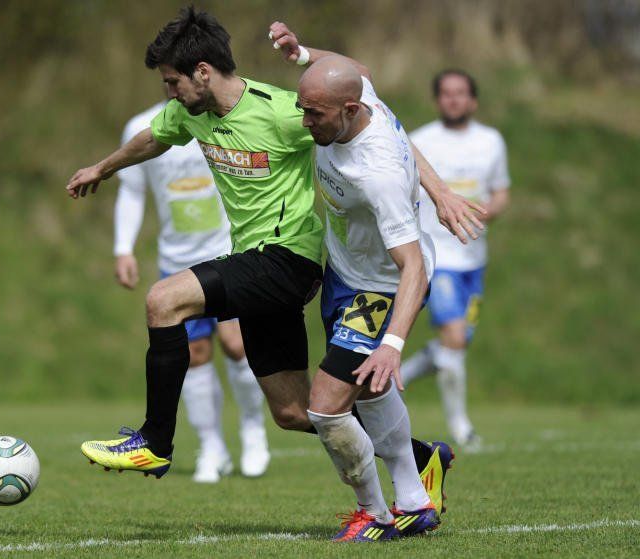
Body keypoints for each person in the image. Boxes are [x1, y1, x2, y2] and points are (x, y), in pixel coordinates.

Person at [67, 7, 481, 484]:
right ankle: (420, 455)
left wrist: (440, 192)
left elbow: (381, 128)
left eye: (172, 82)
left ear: (202, 72)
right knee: (295, 411)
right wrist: (102, 169)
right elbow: (151, 140)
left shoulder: (284, 112)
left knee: (163, 300)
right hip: (254, 261)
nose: (170, 93)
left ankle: (155, 442)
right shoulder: (188, 114)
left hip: (288, 257)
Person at [268, 22, 442, 541]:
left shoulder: (376, 173)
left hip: (380, 288)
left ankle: (375, 515)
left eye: (314, 114)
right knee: (367, 393)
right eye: (302, 109)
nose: (305, 123)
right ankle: (415, 501)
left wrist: (393, 344)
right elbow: (358, 70)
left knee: (324, 407)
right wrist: (302, 54)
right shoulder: (359, 94)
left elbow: (413, 267)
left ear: (350, 110)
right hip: (344, 273)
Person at [114, 102, 270, 482]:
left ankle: (253, 430)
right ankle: (212, 446)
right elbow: (132, 191)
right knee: (195, 354)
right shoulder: (142, 126)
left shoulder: (223, 120)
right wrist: (123, 248)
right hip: (177, 260)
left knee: (236, 344)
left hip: (227, 250)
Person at [400, 70, 510, 452]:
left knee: (455, 347)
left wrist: (485, 212)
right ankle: (462, 428)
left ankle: (394, 375)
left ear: (473, 100)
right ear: (437, 100)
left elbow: (501, 192)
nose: (453, 99)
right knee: (453, 338)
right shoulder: (420, 141)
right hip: (438, 257)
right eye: (446, 93)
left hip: (473, 259)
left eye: (460, 93)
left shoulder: (491, 141)